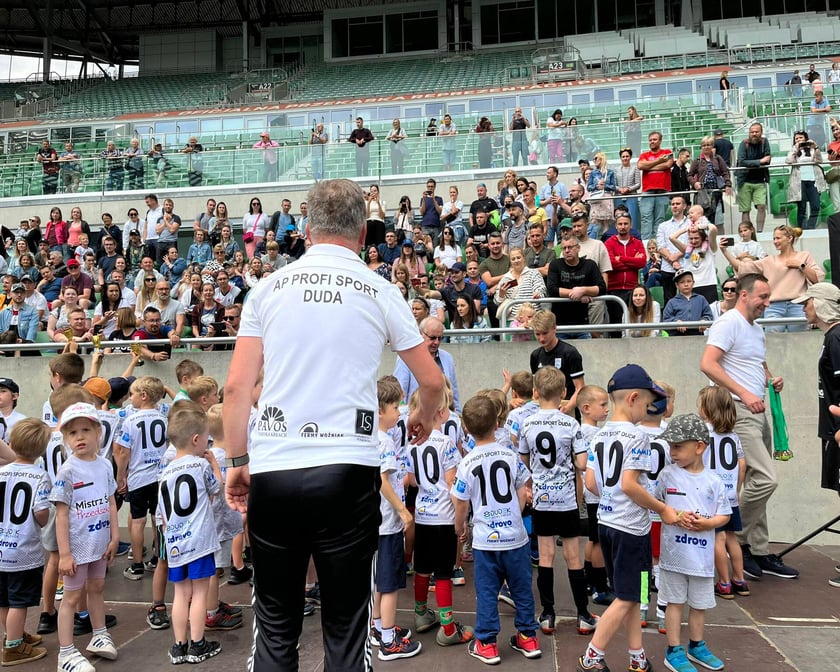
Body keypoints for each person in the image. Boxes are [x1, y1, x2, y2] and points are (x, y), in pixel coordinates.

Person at [221, 179, 444, 671]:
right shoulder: (379, 288)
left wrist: (237, 461)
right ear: (363, 233)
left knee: (275, 630)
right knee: (346, 631)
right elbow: (431, 381)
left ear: (306, 228)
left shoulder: (267, 288)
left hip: (276, 468)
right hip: (348, 472)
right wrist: (421, 419)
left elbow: (236, 389)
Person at [700, 273, 799, 581]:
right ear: (744, 295)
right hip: (739, 410)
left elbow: (756, 363)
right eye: (763, 297)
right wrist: (744, 393)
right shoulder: (728, 323)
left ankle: (758, 550)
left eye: (769, 297)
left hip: (758, 409)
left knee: (758, 480)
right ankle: (733, 538)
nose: (768, 303)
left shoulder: (755, 329)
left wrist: (770, 379)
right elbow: (708, 364)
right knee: (766, 479)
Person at [577, 364, 673, 672]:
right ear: (633, 398)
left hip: (607, 524)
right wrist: (662, 508)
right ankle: (591, 658)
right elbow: (630, 484)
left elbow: (591, 483)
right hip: (631, 530)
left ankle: (637, 656)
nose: (649, 410)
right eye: (648, 404)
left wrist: (611, 494)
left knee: (633, 592)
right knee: (628, 597)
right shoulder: (639, 436)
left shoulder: (599, 436)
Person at [452, 395, 539, 664]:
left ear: (467, 428)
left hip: (485, 541)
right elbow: (524, 488)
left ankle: (487, 643)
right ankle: (528, 637)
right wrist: (517, 511)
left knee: (487, 592)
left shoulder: (467, 463)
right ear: (497, 424)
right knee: (522, 589)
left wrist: (459, 526)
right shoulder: (510, 456)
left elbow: (460, 502)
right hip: (515, 538)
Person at [518, 366, 593, 637]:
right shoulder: (571, 424)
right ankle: (583, 615)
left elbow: (524, 461)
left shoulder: (527, 424)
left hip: (542, 499)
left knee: (546, 555)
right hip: (567, 500)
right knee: (572, 556)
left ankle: (547, 614)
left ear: (535, 392)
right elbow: (582, 463)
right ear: (563, 392)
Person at [654, 414, 731, 672]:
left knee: (699, 604)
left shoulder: (714, 481)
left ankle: (697, 646)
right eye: (670, 446)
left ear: (699, 447)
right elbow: (657, 505)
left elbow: (724, 514)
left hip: (701, 559)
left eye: (677, 446)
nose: (672, 452)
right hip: (674, 555)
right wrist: (675, 515)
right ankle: (674, 650)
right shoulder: (667, 475)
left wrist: (708, 524)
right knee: (674, 602)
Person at [50, 402, 119, 672]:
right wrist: (65, 554)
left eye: (85, 430)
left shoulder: (105, 465)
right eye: (72, 433)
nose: (79, 437)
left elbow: (111, 502)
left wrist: (114, 537)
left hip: (99, 543)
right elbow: (61, 515)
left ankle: (99, 635)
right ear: (65, 438)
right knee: (70, 598)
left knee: (97, 588)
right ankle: (66, 653)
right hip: (77, 547)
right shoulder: (67, 471)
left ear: (98, 432)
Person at [158, 401, 223, 664]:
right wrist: (214, 465)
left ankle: (179, 645)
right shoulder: (200, 466)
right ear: (196, 439)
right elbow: (216, 488)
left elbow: (162, 515)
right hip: (198, 540)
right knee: (199, 593)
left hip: (175, 542)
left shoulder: (164, 473)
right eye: (207, 438)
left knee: (180, 594)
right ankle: (198, 644)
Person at [369, 377, 419, 659]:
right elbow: (383, 481)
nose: (399, 413)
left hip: (376, 522)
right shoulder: (385, 440)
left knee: (380, 579)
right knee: (389, 583)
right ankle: (389, 641)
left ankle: (378, 627)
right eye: (394, 407)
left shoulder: (370, 437)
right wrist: (402, 510)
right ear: (380, 410)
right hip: (387, 523)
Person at [0, 418, 50, 665]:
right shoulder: (40, 476)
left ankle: (13, 634)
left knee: (3, 599)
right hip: (23, 550)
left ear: (11, 443)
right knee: (19, 602)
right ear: (41, 450)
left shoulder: (1, 472)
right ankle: (13, 647)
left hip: (1, 547)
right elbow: (41, 513)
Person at [696, 386, 750, 601]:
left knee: (717, 538)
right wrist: (736, 489)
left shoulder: (702, 433)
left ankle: (724, 582)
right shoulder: (733, 436)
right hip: (729, 493)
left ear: (706, 409)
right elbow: (742, 465)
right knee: (732, 537)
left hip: (711, 495)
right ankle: (740, 579)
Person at [722, 224, 823, 333]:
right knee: (772, 340)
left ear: (790, 238)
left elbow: (817, 278)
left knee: (800, 340)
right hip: (774, 306)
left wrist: (801, 265)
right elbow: (742, 268)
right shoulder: (769, 260)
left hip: (798, 305)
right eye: (774, 238)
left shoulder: (804, 256)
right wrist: (725, 251)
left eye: (778, 238)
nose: (775, 241)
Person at [394, 316, 461, 411]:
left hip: (444, 416)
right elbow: (399, 394)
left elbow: (454, 396)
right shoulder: (405, 358)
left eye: (440, 338)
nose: (436, 342)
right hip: (415, 414)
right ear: (420, 334)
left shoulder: (447, 358)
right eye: (432, 338)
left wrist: (458, 415)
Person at [546, 236, 605, 339]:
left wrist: (583, 290)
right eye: (564, 248)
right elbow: (552, 289)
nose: (567, 251)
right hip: (560, 325)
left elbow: (602, 288)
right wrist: (578, 295)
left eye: (570, 247)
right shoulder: (555, 264)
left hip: (583, 324)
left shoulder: (590, 265)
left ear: (578, 248)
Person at [604, 212, 646, 334]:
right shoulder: (609, 243)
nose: (623, 226)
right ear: (616, 226)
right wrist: (633, 260)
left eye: (626, 224)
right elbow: (611, 264)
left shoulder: (637, 243)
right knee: (615, 324)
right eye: (620, 224)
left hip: (632, 290)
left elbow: (642, 262)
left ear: (631, 225)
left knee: (633, 323)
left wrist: (621, 258)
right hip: (614, 289)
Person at [637, 131, 674, 242]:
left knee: (660, 220)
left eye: (654, 139)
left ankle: (658, 243)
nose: (652, 142)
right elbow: (640, 165)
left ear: (660, 141)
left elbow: (668, 164)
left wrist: (648, 167)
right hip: (647, 191)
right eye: (650, 140)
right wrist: (659, 161)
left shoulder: (667, 152)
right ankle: (646, 244)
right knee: (646, 219)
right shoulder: (644, 155)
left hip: (663, 190)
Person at [786, 130, 826, 230]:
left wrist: (815, 147)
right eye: (796, 138)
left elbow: (819, 160)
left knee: (816, 205)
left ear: (806, 139)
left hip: (813, 180)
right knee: (802, 207)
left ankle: (810, 227)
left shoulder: (812, 150)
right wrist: (795, 148)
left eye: (801, 138)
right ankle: (802, 228)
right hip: (800, 182)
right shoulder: (794, 151)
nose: (799, 140)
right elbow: (789, 161)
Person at [736, 123, 772, 233]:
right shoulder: (744, 144)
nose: (754, 134)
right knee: (745, 210)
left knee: (761, 206)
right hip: (744, 181)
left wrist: (753, 162)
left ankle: (760, 232)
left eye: (756, 132)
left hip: (760, 180)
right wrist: (759, 161)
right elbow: (742, 161)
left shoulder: (765, 142)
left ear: (761, 132)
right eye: (752, 132)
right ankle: (748, 232)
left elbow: (768, 159)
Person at [662, 269, 713, 336]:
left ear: (693, 283)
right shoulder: (672, 302)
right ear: (677, 285)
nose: (686, 284)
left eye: (689, 281)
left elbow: (708, 315)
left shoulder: (701, 299)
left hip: (697, 334)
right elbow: (666, 319)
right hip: (677, 336)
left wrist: (704, 321)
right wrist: (676, 322)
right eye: (682, 282)